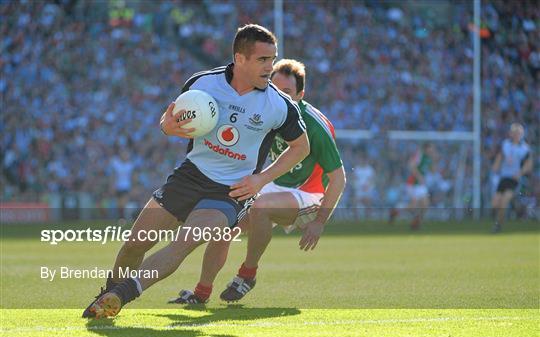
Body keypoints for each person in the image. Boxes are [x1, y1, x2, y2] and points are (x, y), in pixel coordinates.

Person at [82, 24, 310, 318]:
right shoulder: (203, 84)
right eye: (262, 60)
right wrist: (168, 127)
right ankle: (106, 297)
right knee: (134, 245)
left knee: (183, 243)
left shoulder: (279, 105)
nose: (270, 67)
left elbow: (300, 147)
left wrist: (260, 179)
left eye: (273, 58)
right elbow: (169, 120)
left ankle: (120, 296)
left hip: (230, 191)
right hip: (190, 176)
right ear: (240, 58)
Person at [169, 59, 346, 304]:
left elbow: (338, 177)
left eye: (287, 92)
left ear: (301, 94)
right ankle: (201, 294)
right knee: (223, 227)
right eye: (275, 88)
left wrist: (320, 221)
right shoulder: (263, 108)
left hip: (308, 192)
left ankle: (247, 275)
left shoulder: (314, 125)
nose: (280, 96)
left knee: (261, 207)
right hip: (272, 184)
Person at [491, 123, 532, 233]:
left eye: (518, 133)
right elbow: (500, 157)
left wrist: (520, 172)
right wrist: (495, 166)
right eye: (514, 133)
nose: (516, 135)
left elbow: (529, 164)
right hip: (503, 177)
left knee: (504, 202)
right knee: (495, 203)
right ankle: (514, 207)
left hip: (514, 179)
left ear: (522, 134)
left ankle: (498, 226)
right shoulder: (505, 144)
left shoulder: (524, 148)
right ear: (511, 133)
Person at [389, 142, 436, 230]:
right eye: (431, 148)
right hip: (412, 183)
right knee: (413, 206)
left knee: (425, 205)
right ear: (426, 149)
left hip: (421, 185)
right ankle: (395, 211)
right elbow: (411, 166)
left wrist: (434, 161)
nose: (432, 150)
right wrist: (419, 176)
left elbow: (433, 171)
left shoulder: (429, 158)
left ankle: (417, 222)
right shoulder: (419, 155)